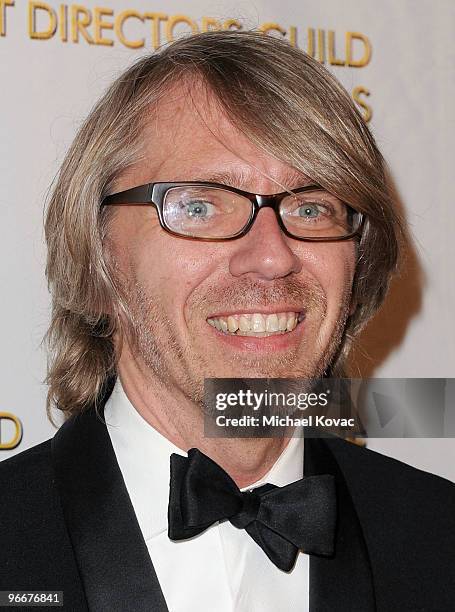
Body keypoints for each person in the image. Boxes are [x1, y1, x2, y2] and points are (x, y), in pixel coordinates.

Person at [0, 30, 454, 612]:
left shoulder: (439, 540)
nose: (272, 256)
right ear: (97, 256)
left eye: (311, 208)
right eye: (199, 205)